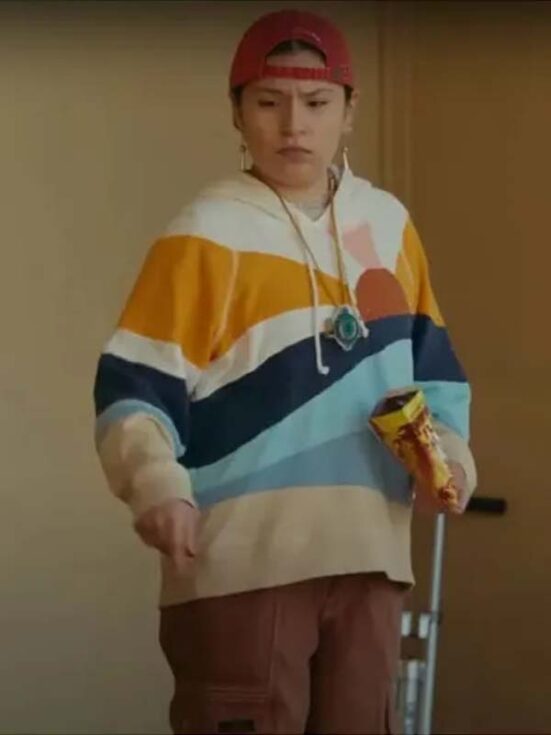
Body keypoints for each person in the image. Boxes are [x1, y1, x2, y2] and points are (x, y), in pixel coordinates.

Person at [93, 9, 477, 735]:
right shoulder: (203, 232)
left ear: (348, 111)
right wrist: (156, 485)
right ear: (236, 112)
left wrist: (449, 460)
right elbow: (132, 388)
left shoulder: (389, 225)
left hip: (371, 553)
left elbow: (437, 374)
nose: (293, 125)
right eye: (268, 102)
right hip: (239, 561)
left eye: (316, 102)